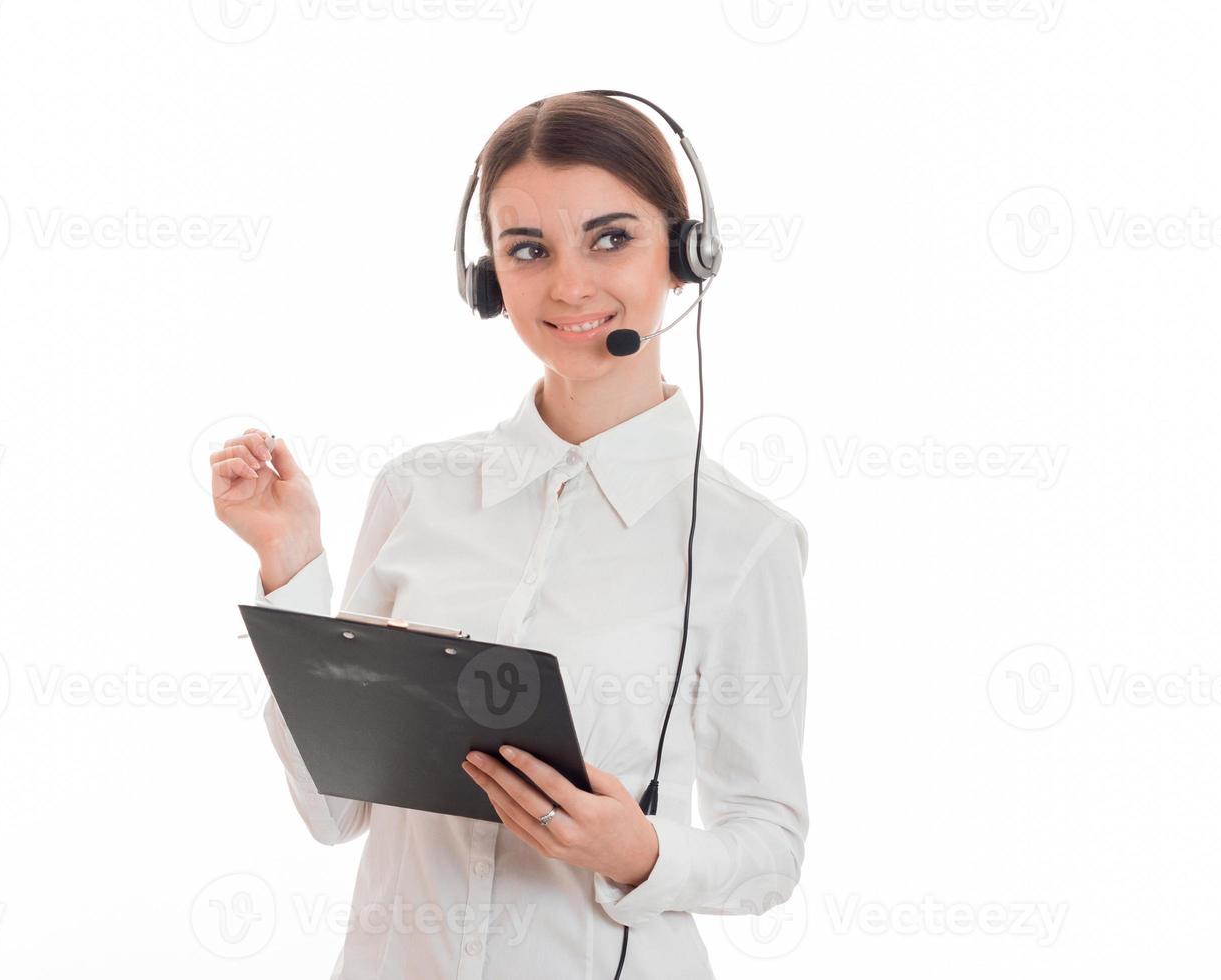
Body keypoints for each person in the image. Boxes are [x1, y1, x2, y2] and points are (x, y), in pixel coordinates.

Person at [211, 92, 809, 979]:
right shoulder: (418, 492)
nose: (569, 285)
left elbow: (770, 845)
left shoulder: (742, 541)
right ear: (489, 277)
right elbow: (333, 813)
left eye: (611, 238)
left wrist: (638, 852)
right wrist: (290, 562)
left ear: (685, 256)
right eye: (528, 250)